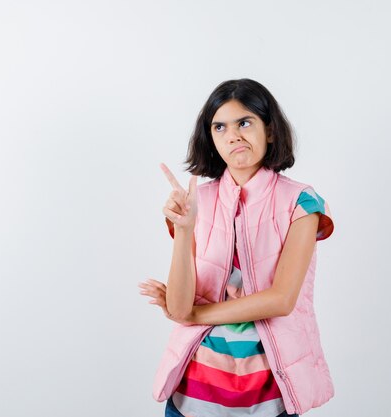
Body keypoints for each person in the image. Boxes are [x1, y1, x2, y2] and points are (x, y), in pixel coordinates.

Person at [139, 79, 335, 417]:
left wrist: (195, 314)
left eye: (245, 122)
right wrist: (184, 230)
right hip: (193, 398)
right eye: (220, 127)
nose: (233, 135)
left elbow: (281, 299)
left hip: (269, 399)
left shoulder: (301, 202)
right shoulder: (196, 202)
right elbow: (180, 304)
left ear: (270, 131)